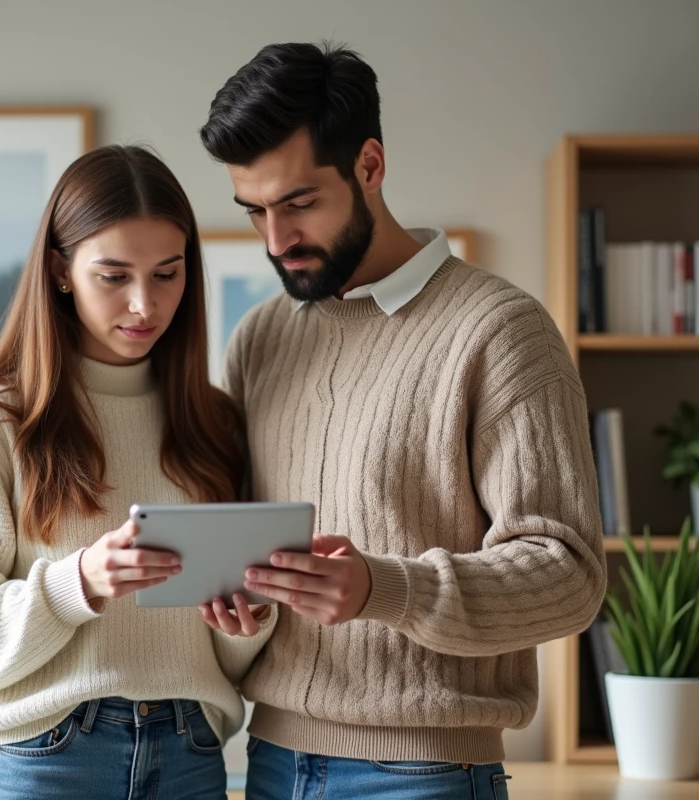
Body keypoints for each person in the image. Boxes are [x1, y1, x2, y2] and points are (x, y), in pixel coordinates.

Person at [199, 42, 607, 799]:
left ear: (370, 166)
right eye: (255, 211)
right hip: (270, 761)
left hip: (424, 773)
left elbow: (570, 574)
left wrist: (386, 589)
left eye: (298, 203)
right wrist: (242, 592)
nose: (276, 241)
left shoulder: (499, 330)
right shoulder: (260, 338)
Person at [0, 144, 276, 800]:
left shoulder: (214, 423)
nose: (144, 304)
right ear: (60, 271)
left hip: (190, 753)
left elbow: (222, 655)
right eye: (113, 276)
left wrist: (248, 622)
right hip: (47, 758)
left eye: (167, 274)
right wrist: (76, 583)